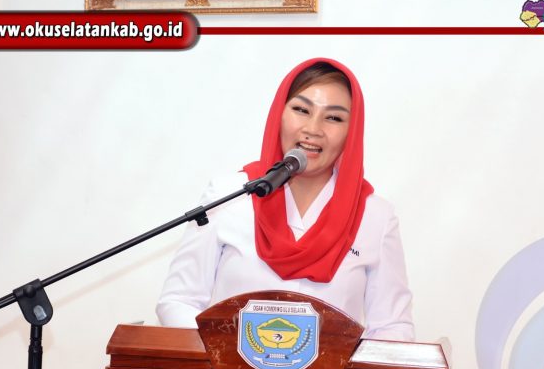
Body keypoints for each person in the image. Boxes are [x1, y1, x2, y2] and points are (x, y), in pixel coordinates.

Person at [156, 58, 414, 342]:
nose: (313, 129)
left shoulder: (375, 216)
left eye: (333, 118)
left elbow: (393, 327)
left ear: (351, 132)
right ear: (279, 113)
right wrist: (227, 353)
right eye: (301, 110)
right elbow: (178, 300)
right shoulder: (229, 195)